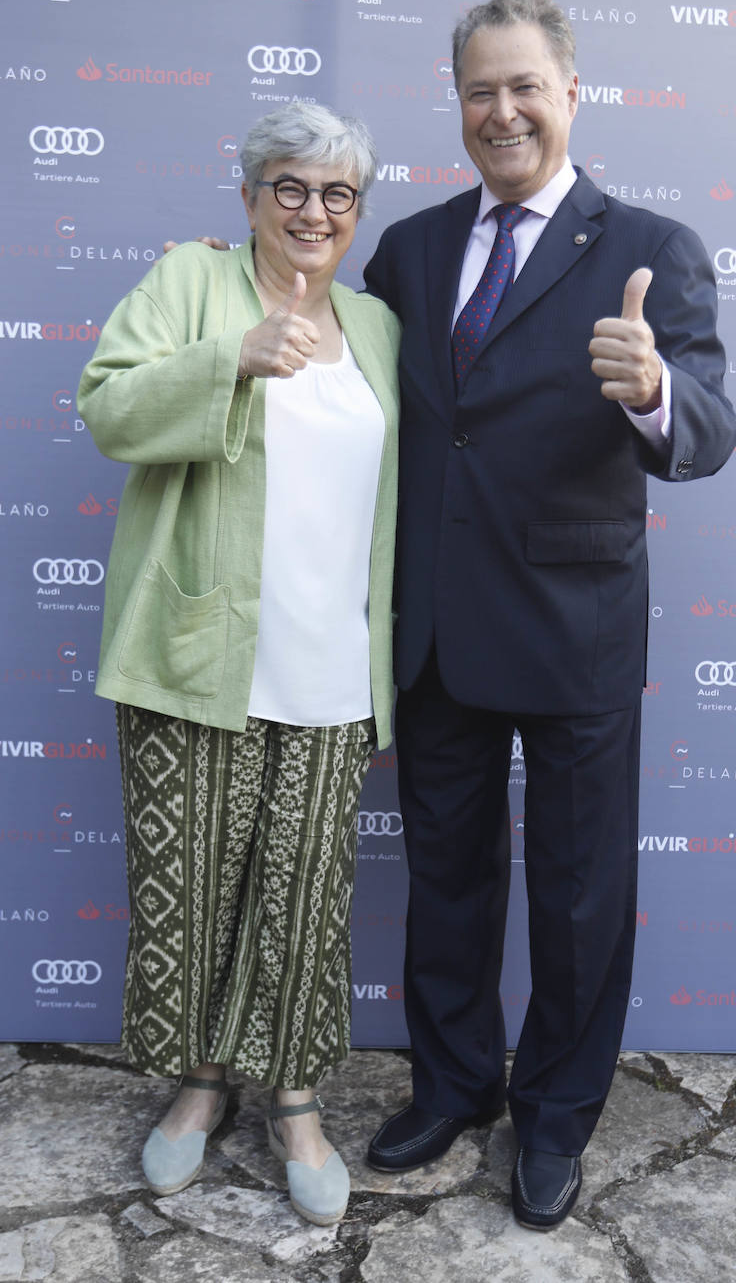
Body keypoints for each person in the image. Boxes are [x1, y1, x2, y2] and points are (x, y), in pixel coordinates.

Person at [360, 0, 736, 1229]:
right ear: (455, 101)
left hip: (573, 630)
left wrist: (652, 397)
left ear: (572, 94)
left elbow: (711, 430)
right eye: (478, 90)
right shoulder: (408, 251)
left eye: (524, 87)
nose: (501, 111)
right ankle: (455, 1084)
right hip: (434, 631)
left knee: (578, 894)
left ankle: (558, 1114)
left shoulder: (648, 243)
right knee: (447, 880)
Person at [77, 102, 400, 1227]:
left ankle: (297, 1102)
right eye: (291, 187)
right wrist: (232, 357)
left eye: (338, 193)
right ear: (252, 197)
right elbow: (109, 408)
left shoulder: (376, 325)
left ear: (357, 212)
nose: (314, 211)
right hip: (196, 653)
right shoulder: (192, 287)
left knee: (306, 904)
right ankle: (202, 1088)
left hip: (331, 668)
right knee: (194, 898)